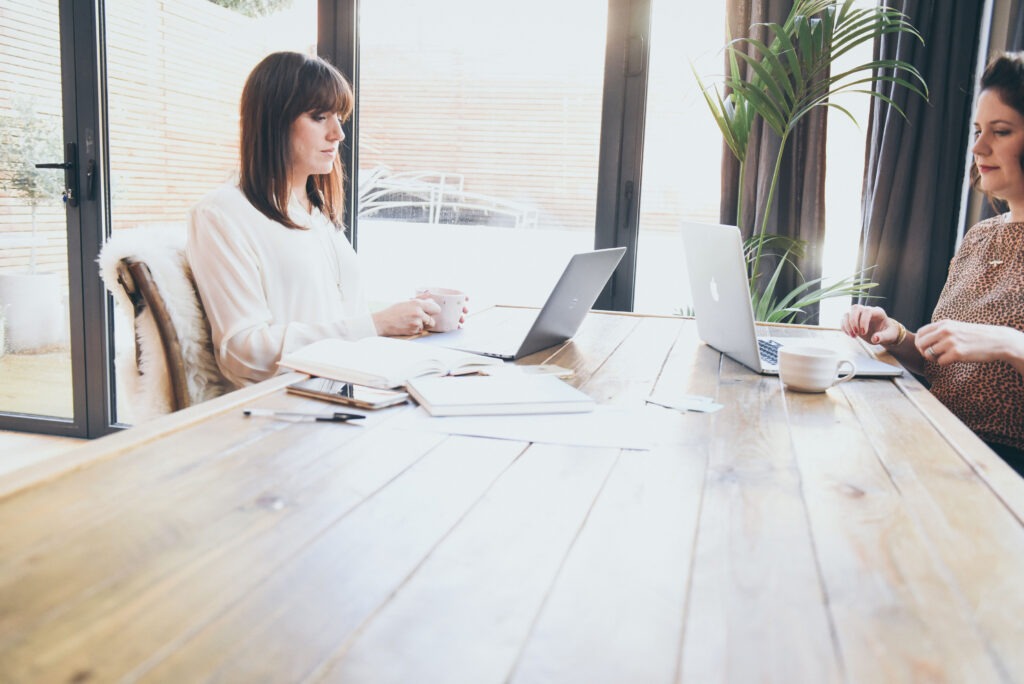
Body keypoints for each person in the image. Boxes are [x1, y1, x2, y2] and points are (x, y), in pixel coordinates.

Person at [188, 51, 447, 387]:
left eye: (339, 117)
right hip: (283, 414)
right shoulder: (222, 213)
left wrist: (413, 313)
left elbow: (338, 318)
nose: (338, 133)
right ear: (273, 121)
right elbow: (243, 351)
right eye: (319, 116)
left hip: (344, 395)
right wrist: (377, 324)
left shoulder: (316, 210)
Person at [842, 52, 1024, 473]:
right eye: (978, 131)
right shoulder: (981, 237)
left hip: (1006, 465)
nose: (978, 147)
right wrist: (897, 336)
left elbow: (991, 347)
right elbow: (944, 367)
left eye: (1000, 131)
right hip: (937, 438)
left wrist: (1007, 343)